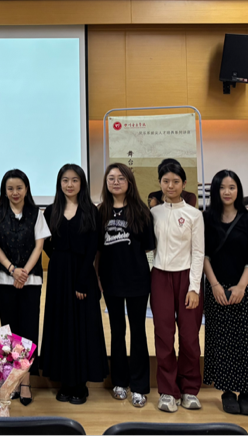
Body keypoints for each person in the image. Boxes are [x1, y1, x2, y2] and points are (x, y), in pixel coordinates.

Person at [202, 170, 248, 416]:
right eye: (222, 187)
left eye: (232, 187)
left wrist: (241, 287)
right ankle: (227, 392)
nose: (227, 192)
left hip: (246, 289)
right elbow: (203, 254)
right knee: (222, 341)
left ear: (238, 190)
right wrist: (215, 285)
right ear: (215, 191)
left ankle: (246, 393)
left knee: (247, 341)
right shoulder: (206, 219)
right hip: (217, 288)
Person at [40, 164, 107, 405]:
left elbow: (93, 248)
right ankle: (65, 382)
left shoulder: (91, 211)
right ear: (59, 183)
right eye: (65, 180)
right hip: (58, 275)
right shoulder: (51, 210)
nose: (70, 184)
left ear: (82, 183)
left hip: (83, 273)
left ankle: (80, 384)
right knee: (60, 324)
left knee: (82, 326)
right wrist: (59, 258)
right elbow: (44, 243)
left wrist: (82, 280)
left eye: (75, 180)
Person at [0, 169, 50, 406]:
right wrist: (12, 270)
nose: (15, 192)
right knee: (10, 332)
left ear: (26, 189)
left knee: (28, 331)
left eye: (19, 188)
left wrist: (23, 272)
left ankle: (25, 382)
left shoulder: (37, 214)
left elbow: (39, 246)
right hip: (4, 279)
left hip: (31, 280)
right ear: (4, 191)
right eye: (10, 188)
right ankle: (11, 380)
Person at [98, 163, 155, 409]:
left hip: (137, 280)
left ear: (129, 182)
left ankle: (140, 385)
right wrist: (97, 277)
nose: (116, 182)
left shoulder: (141, 211)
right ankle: (119, 381)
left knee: (138, 331)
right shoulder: (100, 211)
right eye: (111, 178)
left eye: (121, 178)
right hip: (111, 280)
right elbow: (97, 250)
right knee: (117, 330)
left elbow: (149, 248)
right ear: (106, 183)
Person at [150, 160, 205, 413]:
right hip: (160, 277)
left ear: (184, 184)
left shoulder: (194, 214)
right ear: (160, 183)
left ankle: (189, 389)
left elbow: (198, 252)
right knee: (163, 336)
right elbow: (149, 249)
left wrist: (194, 287)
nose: (170, 186)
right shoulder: (153, 213)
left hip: (187, 278)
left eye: (175, 181)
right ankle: (167, 391)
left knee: (189, 337)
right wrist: (151, 273)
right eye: (166, 181)